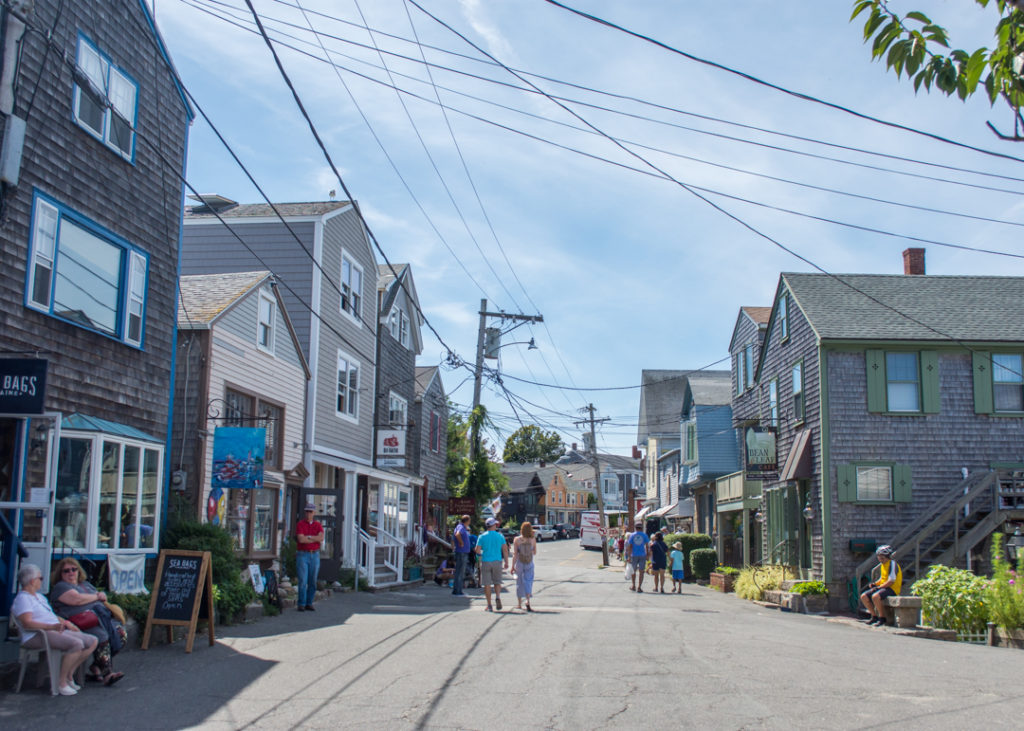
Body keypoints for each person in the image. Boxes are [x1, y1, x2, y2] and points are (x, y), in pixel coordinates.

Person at [12, 563, 97, 696]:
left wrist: (67, 623)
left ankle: (69, 674)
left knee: (92, 641)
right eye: (40, 579)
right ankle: (60, 682)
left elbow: (51, 616)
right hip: (36, 635)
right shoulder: (23, 599)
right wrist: (51, 627)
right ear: (32, 581)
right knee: (76, 644)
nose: (41, 581)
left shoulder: (39, 597)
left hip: (54, 630)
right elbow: (27, 623)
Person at [50, 558, 126, 686]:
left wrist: (100, 596)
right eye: (66, 571)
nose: (71, 573)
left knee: (120, 633)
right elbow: (76, 600)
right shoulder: (61, 586)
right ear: (60, 574)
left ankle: (96, 666)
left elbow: (101, 597)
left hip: (98, 619)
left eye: (74, 569)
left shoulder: (85, 585)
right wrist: (97, 596)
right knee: (102, 636)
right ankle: (108, 674)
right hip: (77, 623)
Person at [860, 545, 903, 627]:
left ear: (888, 557)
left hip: (892, 588)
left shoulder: (892, 564)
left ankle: (882, 618)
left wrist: (879, 587)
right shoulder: (883, 565)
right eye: (879, 557)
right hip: (884, 587)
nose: (880, 559)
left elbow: (891, 580)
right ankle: (874, 616)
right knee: (864, 596)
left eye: (882, 558)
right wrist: (875, 584)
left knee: (875, 596)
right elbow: (882, 578)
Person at [475, 517, 509, 612]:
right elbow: (505, 549)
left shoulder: (482, 536)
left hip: (486, 561)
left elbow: (477, 550)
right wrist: (506, 561)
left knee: (487, 584)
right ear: (493, 525)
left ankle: (489, 605)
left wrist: (481, 554)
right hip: (497, 561)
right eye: (495, 524)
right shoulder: (500, 536)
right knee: (497, 582)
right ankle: (497, 596)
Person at [295, 502, 324, 611]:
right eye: (307, 511)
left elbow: (321, 537)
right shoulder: (301, 524)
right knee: (303, 580)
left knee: (312, 580)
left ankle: (309, 602)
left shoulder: (318, 525)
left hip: (314, 554)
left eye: (310, 512)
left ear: (314, 513)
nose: (308, 514)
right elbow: (301, 539)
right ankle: (301, 603)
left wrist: (309, 537)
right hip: (303, 554)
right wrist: (313, 538)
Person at [511, 522, 537, 611]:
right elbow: (534, 552)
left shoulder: (517, 539)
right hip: (529, 562)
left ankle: (519, 604)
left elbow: (515, 554)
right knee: (528, 581)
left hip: (520, 562)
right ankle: (527, 600)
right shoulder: (532, 539)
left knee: (519, 582)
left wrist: (512, 566)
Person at [451, 514, 472, 596]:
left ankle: (457, 590)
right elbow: (457, 534)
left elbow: (453, 537)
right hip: (462, 552)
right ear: (466, 521)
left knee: (459, 571)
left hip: (461, 552)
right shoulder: (461, 527)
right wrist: (461, 543)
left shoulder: (460, 527)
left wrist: (453, 546)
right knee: (460, 572)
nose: (470, 522)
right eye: (469, 520)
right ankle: (458, 591)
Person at [627, 523, 650, 592]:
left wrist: (629, 556)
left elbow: (630, 546)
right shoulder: (644, 535)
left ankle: (633, 585)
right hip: (642, 554)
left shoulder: (632, 535)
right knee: (641, 571)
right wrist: (647, 554)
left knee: (633, 571)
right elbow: (647, 546)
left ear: (635, 528)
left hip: (634, 555)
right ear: (641, 528)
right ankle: (639, 586)